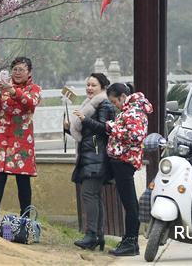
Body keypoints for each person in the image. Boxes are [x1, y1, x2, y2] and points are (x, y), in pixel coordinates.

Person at [0, 56, 41, 234]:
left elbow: (30, 103)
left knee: (23, 182)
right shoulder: (4, 87)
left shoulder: (34, 89)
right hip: (1, 140)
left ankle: (25, 221)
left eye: (21, 70)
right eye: (15, 69)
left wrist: (13, 91)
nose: (17, 73)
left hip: (21, 141)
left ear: (29, 72)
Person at [63, 72, 114, 251]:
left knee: (89, 194)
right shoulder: (89, 104)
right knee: (93, 195)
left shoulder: (104, 104)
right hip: (90, 155)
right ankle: (97, 236)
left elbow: (104, 130)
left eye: (93, 85)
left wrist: (85, 119)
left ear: (102, 87)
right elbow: (86, 135)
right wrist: (69, 129)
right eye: (88, 85)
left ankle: (92, 234)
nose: (89, 88)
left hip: (97, 157)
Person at [104, 82, 152, 257]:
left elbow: (136, 136)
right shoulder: (131, 109)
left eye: (114, 101)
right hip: (122, 160)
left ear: (122, 97)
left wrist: (112, 127)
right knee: (129, 203)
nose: (114, 105)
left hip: (125, 160)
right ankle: (128, 239)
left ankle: (131, 242)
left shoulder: (134, 111)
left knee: (130, 204)